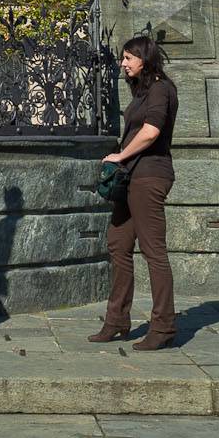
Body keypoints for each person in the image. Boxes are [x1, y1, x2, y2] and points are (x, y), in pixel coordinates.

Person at [90, 35, 181, 349]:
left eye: (129, 57)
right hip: (131, 178)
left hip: (149, 176)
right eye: (123, 58)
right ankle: (116, 321)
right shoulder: (143, 91)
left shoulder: (161, 88)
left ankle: (164, 327)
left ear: (145, 58)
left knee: (154, 252)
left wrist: (121, 154)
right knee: (118, 244)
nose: (123, 63)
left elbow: (152, 131)